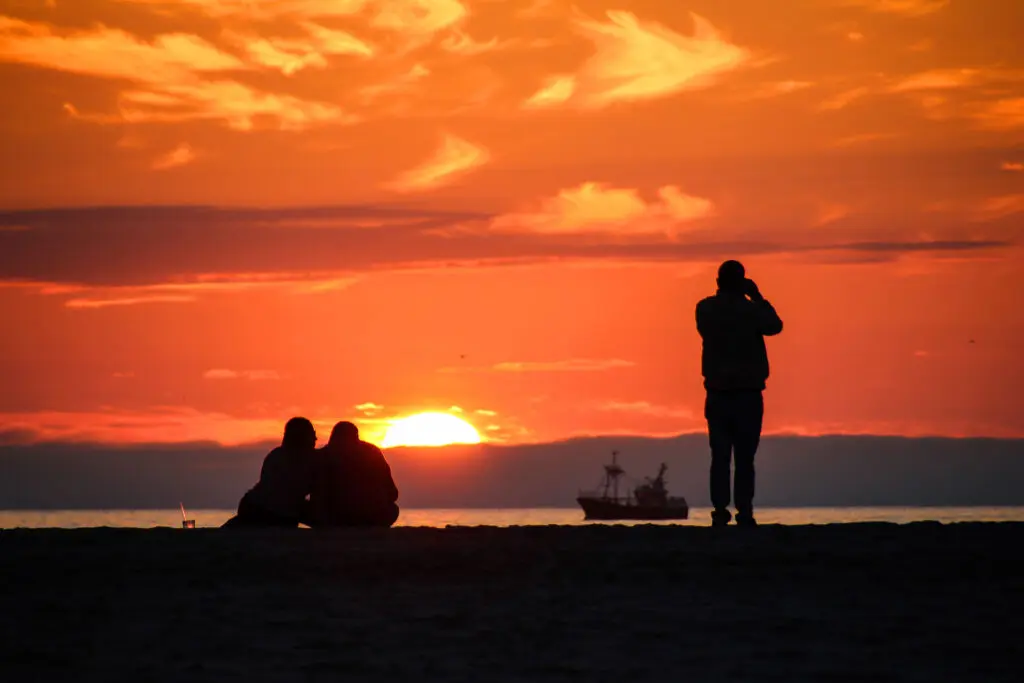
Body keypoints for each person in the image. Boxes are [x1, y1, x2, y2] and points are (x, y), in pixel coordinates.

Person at [696, 260, 783, 527]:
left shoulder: (706, 308)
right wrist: (756, 296)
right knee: (744, 458)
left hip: (721, 392)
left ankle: (722, 511)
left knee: (720, 456)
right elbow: (774, 326)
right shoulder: (750, 311)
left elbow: (773, 327)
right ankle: (743, 511)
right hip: (745, 393)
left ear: (718, 282)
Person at [221, 417, 318, 528]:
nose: (316, 438)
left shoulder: (277, 455)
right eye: (312, 434)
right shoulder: (298, 461)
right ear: (302, 438)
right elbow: (284, 499)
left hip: (257, 508)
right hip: (261, 511)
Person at [308, 421, 399, 528]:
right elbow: (393, 493)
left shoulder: (322, 456)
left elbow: (309, 491)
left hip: (331, 518)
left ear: (332, 438)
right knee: (393, 509)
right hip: (369, 517)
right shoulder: (373, 453)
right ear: (357, 438)